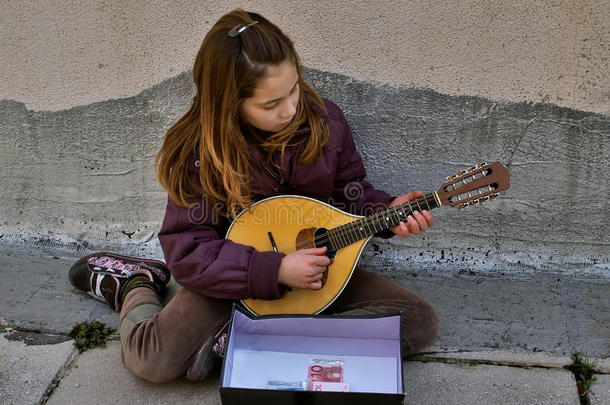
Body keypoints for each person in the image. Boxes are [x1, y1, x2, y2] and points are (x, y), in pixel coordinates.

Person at [69, 8, 438, 383]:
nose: (291, 109)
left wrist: (387, 210)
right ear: (229, 103)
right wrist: (275, 269)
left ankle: (248, 339)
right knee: (152, 361)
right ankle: (137, 283)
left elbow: (349, 194)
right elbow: (190, 250)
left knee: (417, 321)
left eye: (293, 89)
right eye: (270, 104)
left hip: (317, 274)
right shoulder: (200, 153)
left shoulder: (324, 121)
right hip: (230, 279)